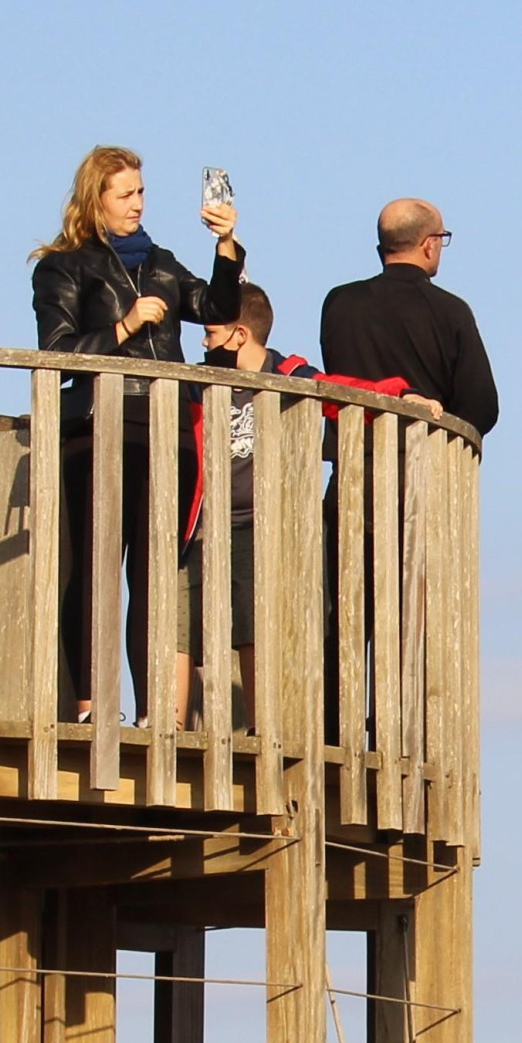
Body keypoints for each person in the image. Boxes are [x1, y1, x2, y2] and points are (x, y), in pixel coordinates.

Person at [31, 144, 246, 722]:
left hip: (166, 429)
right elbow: (56, 352)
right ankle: (86, 706)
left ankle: (155, 710)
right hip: (99, 429)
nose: (136, 204)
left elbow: (218, 305)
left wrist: (225, 246)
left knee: (155, 574)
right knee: (95, 571)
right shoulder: (65, 265)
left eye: (141, 192)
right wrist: (124, 327)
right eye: (124, 194)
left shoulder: (161, 262)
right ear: (94, 199)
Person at [194, 284, 314, 729]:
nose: (204, 343)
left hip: (258, 521)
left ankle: (261, 723)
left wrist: (405, 394)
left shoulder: (291, 377)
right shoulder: (197, 381)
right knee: (181, 620)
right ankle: (171, 720)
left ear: (239, 335)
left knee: (252, 621)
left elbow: (341, 393)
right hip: (202, 522)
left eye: (210, 332)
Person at [316, 198, 497, 439]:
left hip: (354, 460)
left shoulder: (339, 302)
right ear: (429, 245)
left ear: (382, 249)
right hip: (424, 462)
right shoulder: (451, 310)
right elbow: (481, 406)